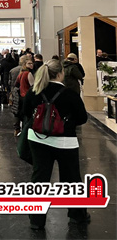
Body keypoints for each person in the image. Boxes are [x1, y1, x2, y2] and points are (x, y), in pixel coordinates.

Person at [23, 60, 89, 231]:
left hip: (37, 139)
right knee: (71, 179)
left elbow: (25, 112)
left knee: (40, 177)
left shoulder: (35, 91)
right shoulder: (70, 94)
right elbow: (82, 118)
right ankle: (77, 215)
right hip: (65, 141)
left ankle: (36, 220)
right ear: (60, 74)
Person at [13, 56, 35, 136]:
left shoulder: (21, 74)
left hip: (20, 96)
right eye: (29, 63)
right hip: (27, 96)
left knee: (19, 113)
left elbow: (16, 84)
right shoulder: (28, 74)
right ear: (25, 64)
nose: (31, 65)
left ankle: (18, 129)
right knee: (26, 115)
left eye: (32, 63)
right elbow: (33, 86)